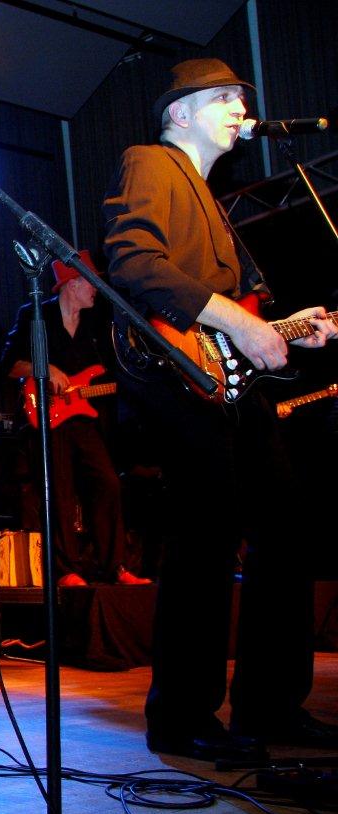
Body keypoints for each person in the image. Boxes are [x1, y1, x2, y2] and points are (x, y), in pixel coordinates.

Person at [103, 58, 338, 760]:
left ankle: (270, 706)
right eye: (224, 97)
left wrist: (287, 327)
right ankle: (181, 717)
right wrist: (240, 324)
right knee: (205, 534)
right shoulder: (150, 162)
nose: (241, 107)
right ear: (179, 114)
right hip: (178, 376)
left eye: (242, 97)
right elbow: (134, 263)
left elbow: (237, 311)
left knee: (285, 527)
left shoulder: (211, 199)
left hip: (233, 383)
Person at [0, 250, 150, 587]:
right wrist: (45, 368)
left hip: (84, 419)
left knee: (108, 483)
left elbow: (111, 371)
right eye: (90, 282)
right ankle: (65, 569)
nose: (96, 289)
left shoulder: (98, 324)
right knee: (60, 491)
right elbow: (8, 365)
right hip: (47, 419)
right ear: (72, 284)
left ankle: (114, 566)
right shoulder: (35, 315)